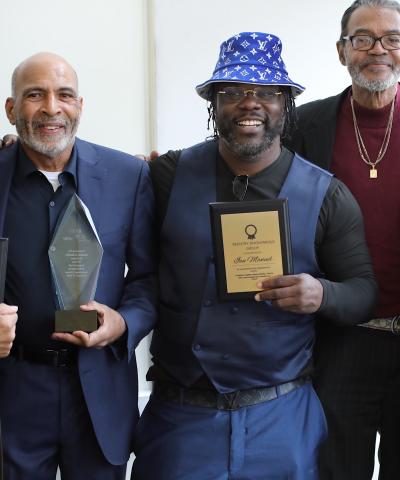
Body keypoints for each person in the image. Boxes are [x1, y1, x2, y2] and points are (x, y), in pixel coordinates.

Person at [131, 31, 377, 480]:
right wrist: (19, 153)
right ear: (213, 103)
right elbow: (96, 186)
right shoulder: (166, 175)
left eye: (266, 93)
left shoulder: (327, 195)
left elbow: (363, 291)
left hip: (282, 417)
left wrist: (321, 295)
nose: (250, 103)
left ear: (286, 105)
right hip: (181, 417)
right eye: (233, 93)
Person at [0, 52, 157, 479]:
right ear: (12, 109)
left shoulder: (129, 176)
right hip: (13, 394)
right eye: (35, 95)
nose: (52, 107)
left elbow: (149, 278)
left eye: (64, 94)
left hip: (98, 395)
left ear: (80, 106)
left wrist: (124, 324)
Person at [286, 1, 400, 479]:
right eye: (363, 38)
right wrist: (158, 165)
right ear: (341, 51)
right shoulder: (303, 126)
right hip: (338, 339)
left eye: (392, 38)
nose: (379, 49)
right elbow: (240, 151)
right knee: (336, 470)